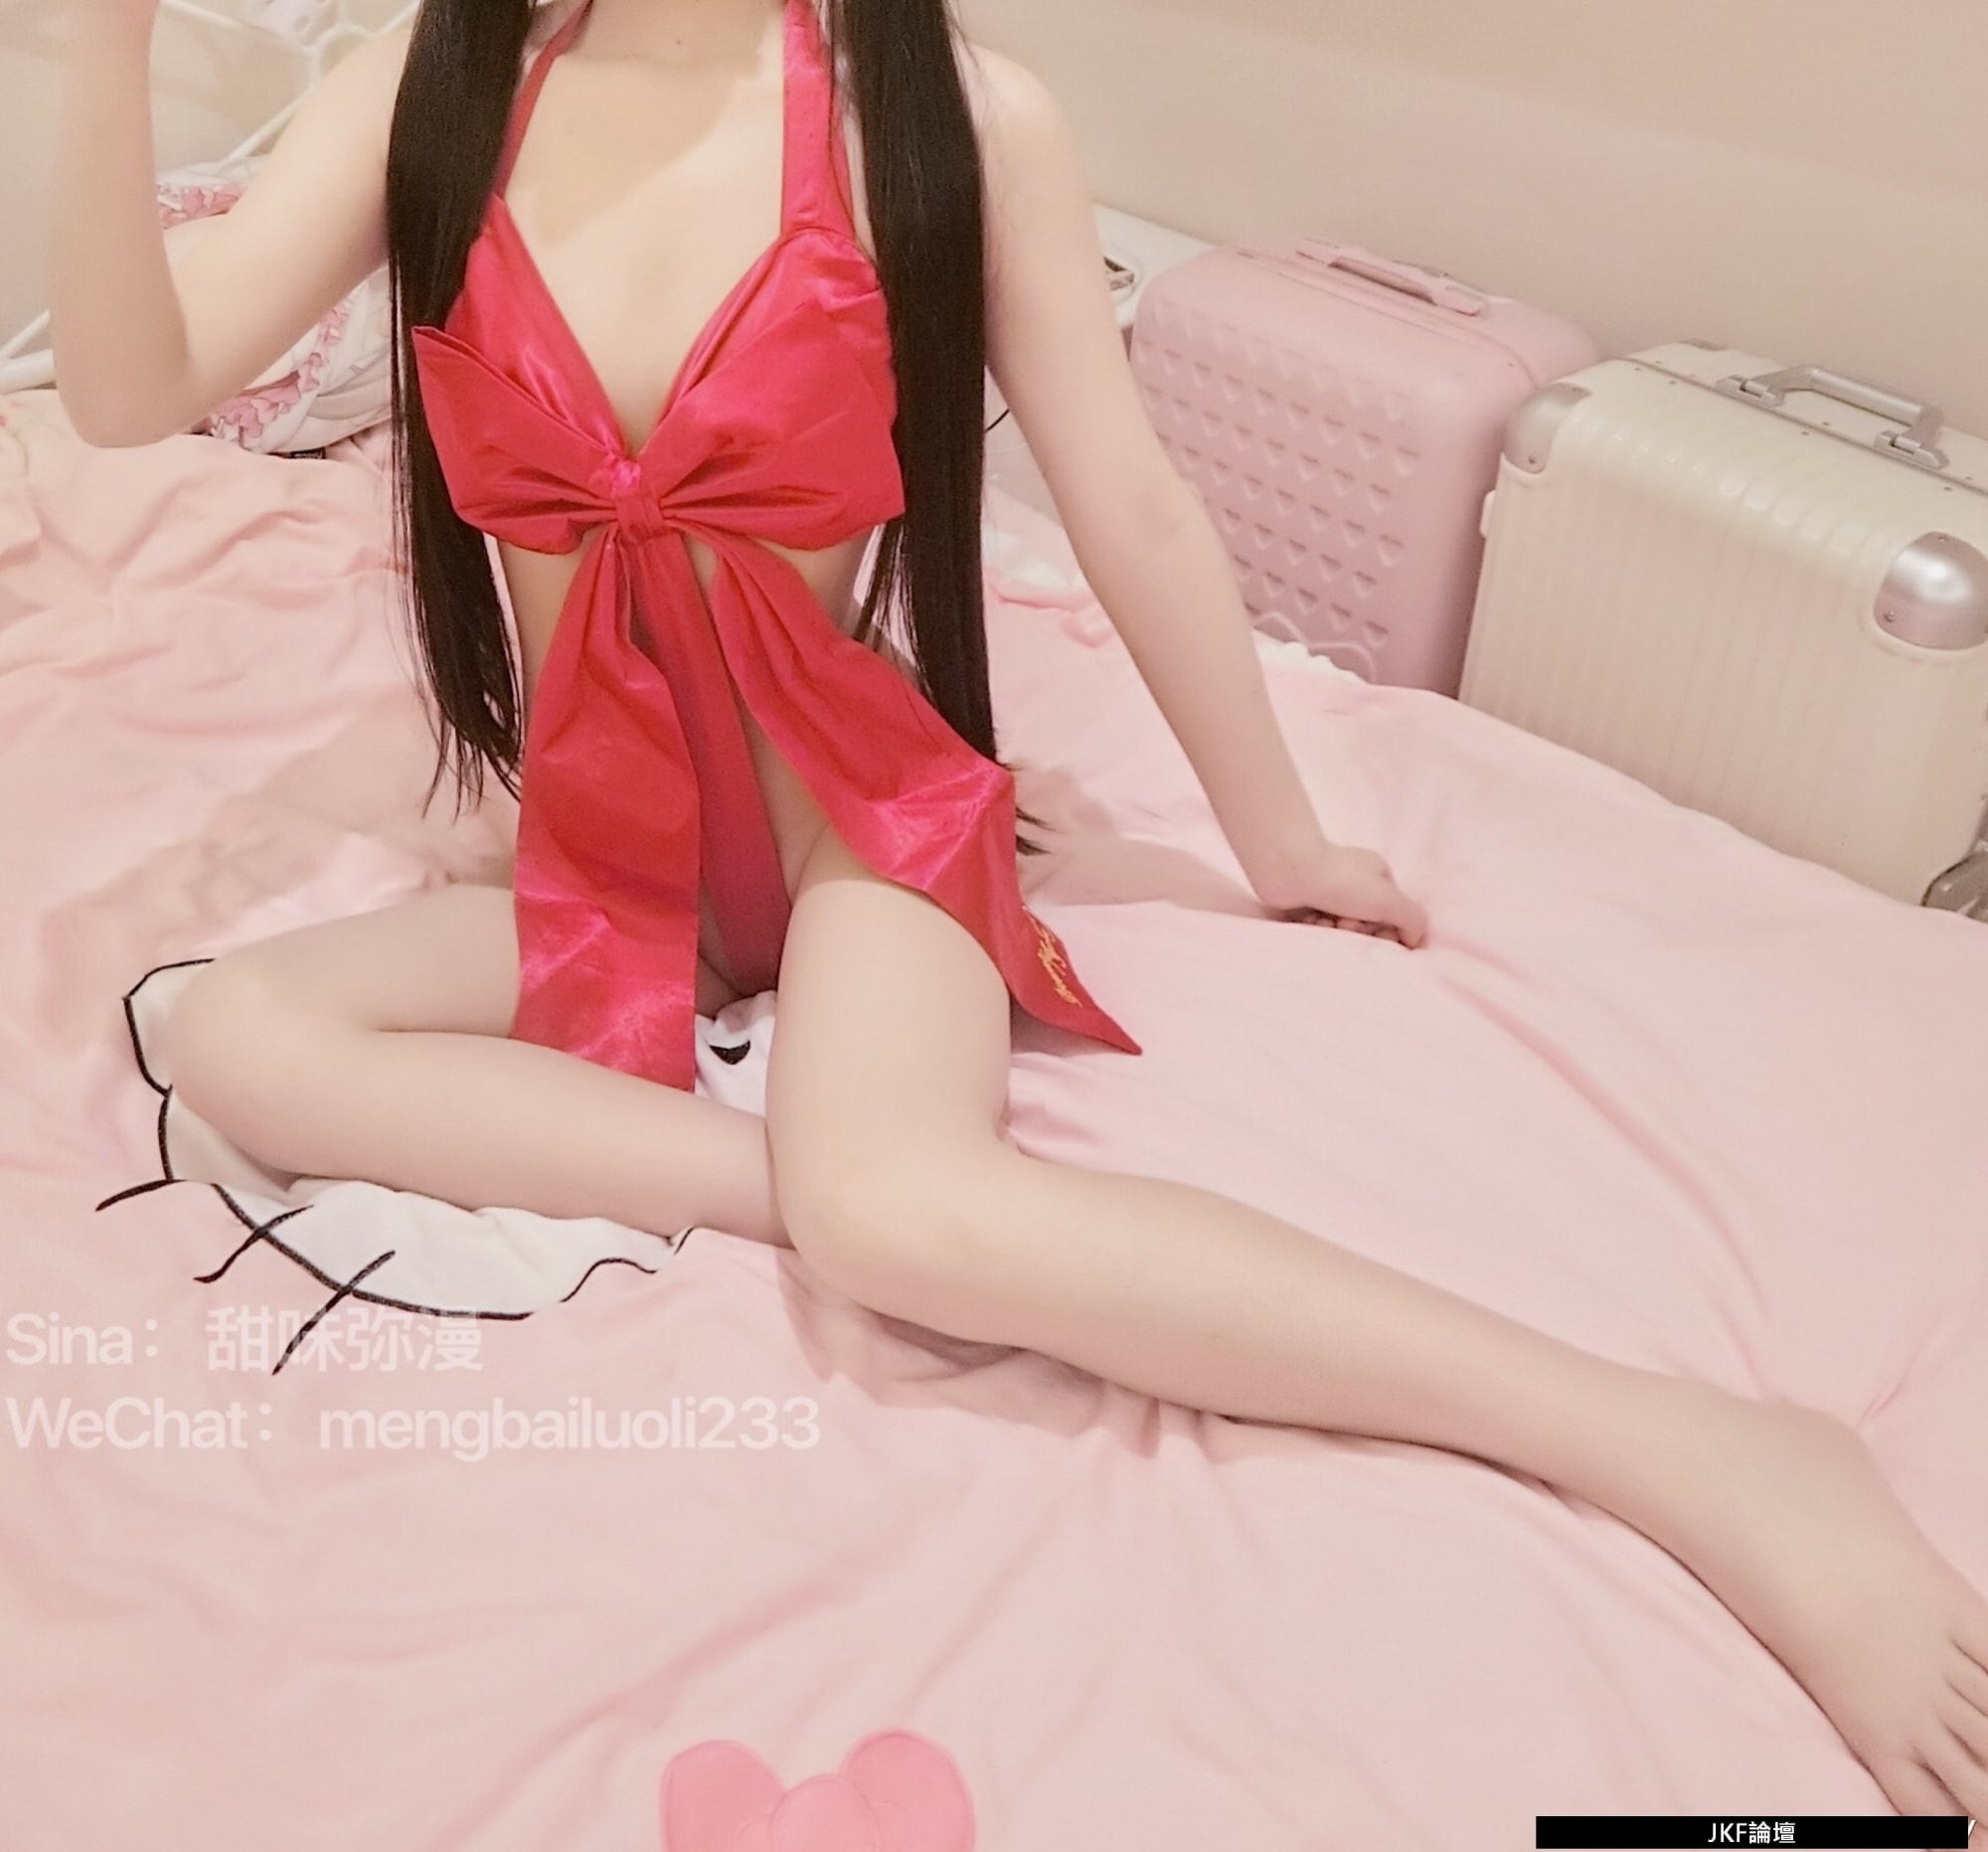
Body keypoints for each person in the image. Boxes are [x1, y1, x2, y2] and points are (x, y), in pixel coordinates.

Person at [51, 0, 1988, 1821]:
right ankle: (794, 1172)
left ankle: (1683, 1446)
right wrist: (104, 41)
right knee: (239, 1030)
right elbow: (132, 396)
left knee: (902, 1212)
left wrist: (1281, 840)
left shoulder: (947, 118)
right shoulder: (429, 87)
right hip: (599, 853)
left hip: (848, 819)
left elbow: (1127, 498)